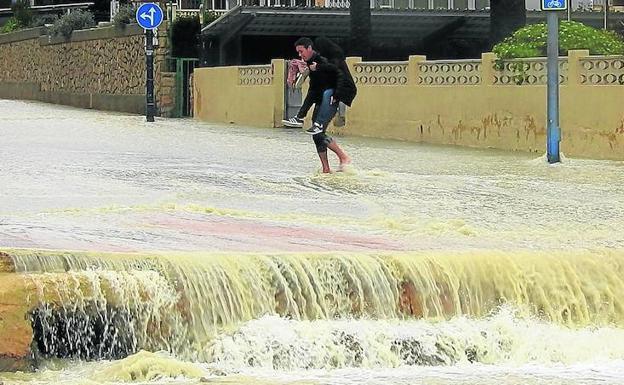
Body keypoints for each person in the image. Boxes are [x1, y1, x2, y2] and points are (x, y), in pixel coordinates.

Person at [293, 37, 354, 173]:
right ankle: (326, 168)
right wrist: (301, 114)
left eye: (301, 51)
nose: (300, 55)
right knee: (316, 134)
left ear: (309, 48)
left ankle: (343, 157)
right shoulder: (311, 64)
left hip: (331, 99)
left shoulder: (323, 61)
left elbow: (339, 76)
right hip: (321, 100)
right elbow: (313, 88)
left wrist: (337, 95)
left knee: (319, 132)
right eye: (298, 53)